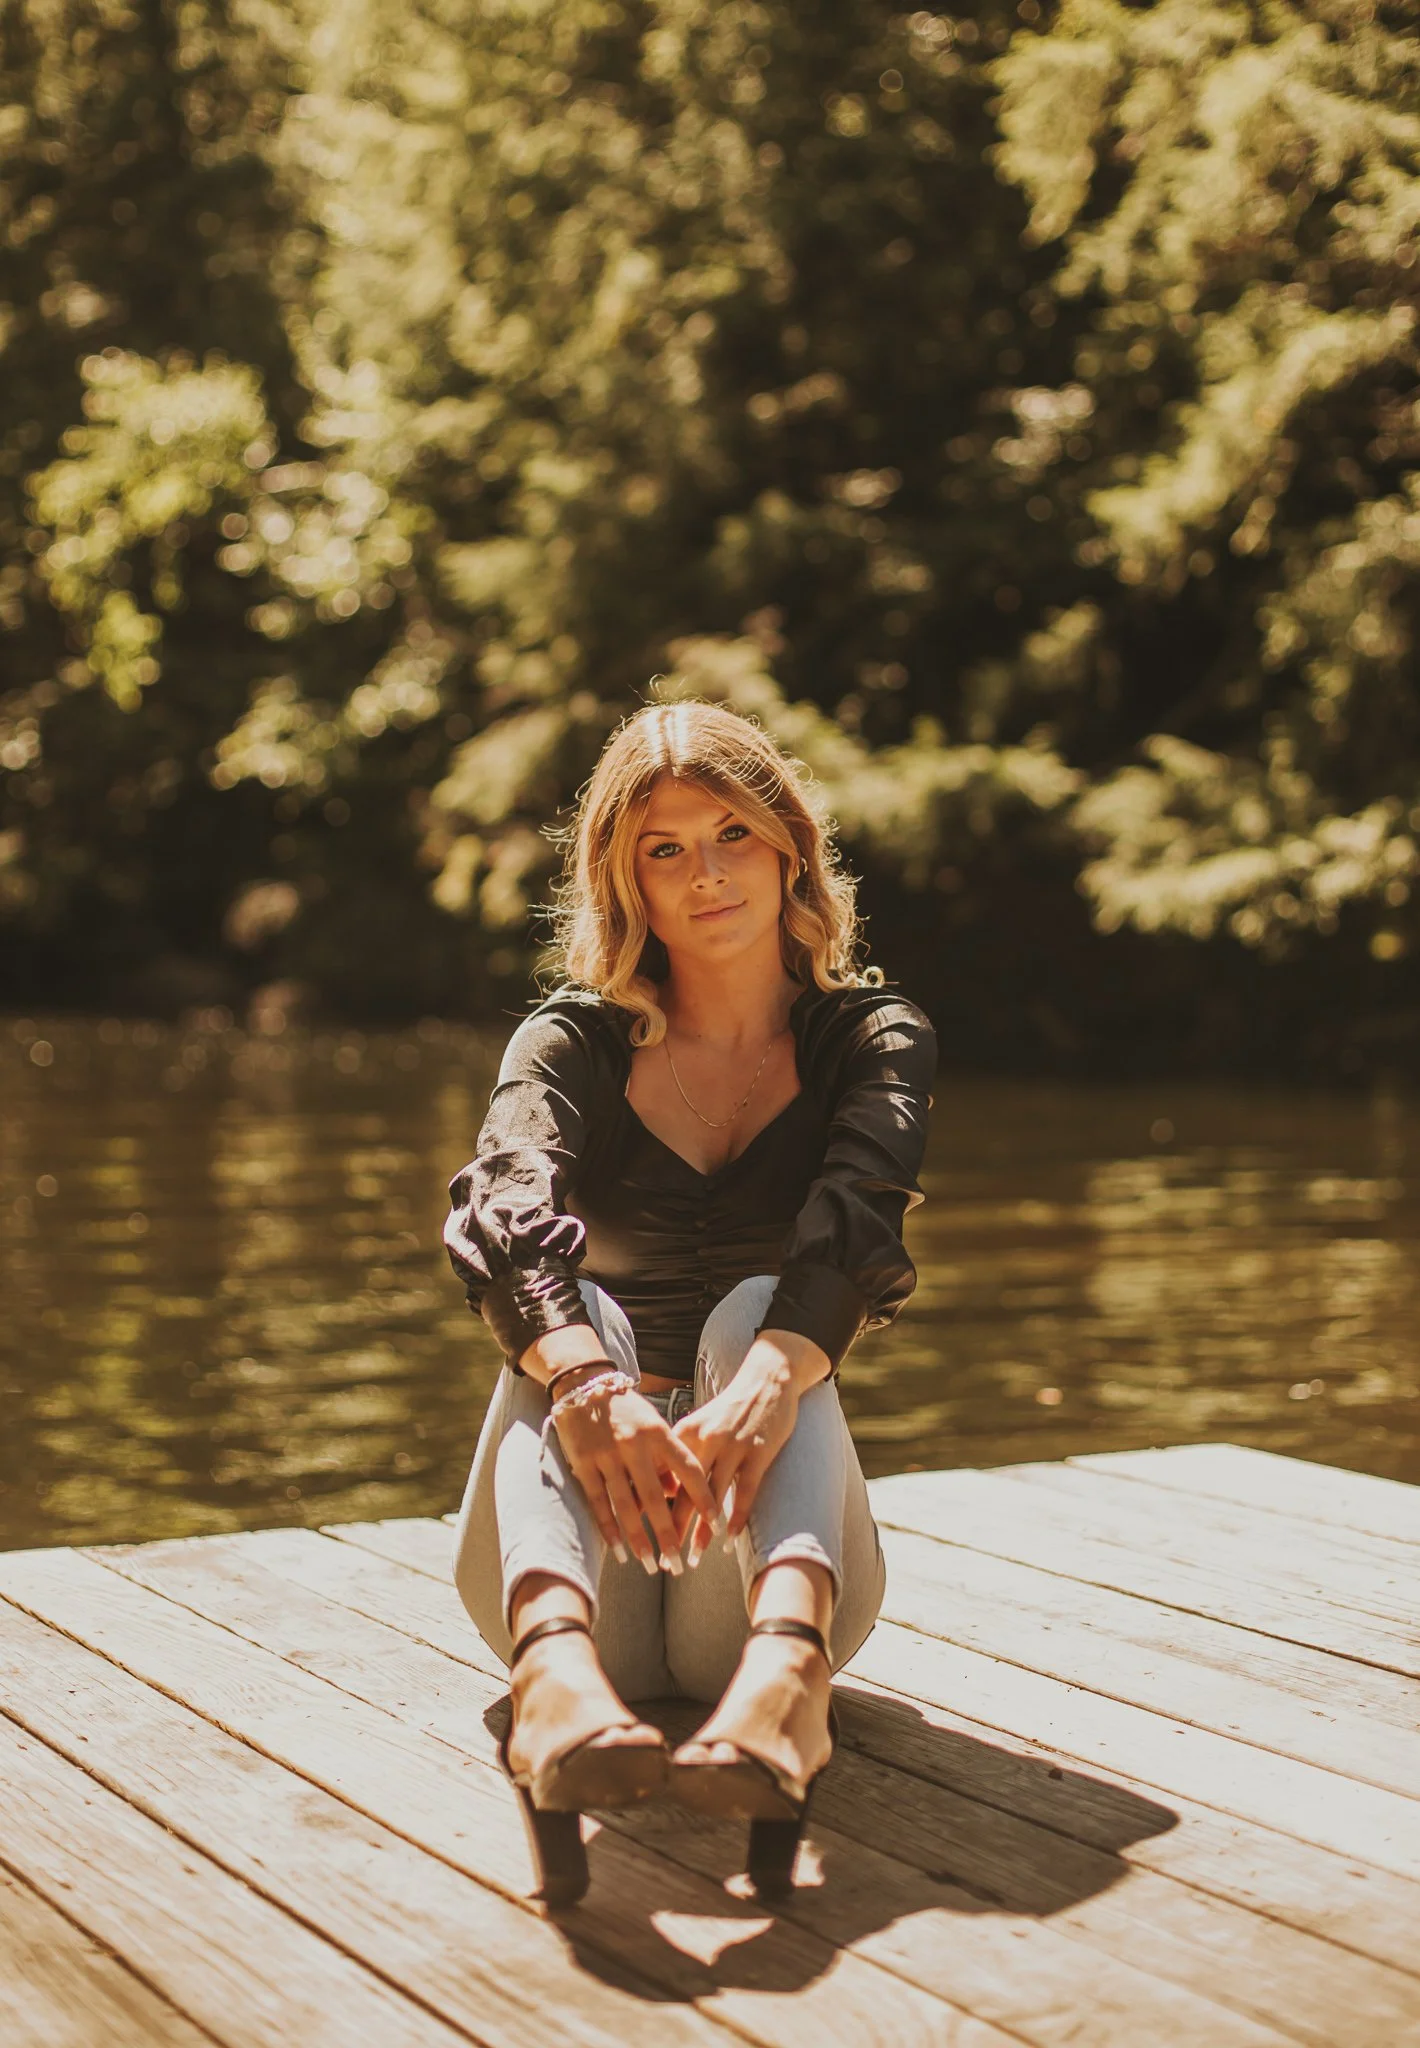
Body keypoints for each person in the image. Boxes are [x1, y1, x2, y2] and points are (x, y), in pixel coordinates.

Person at [443, 698, 936, 1904]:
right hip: (575, 1564)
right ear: (629, 882)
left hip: (765, 1564)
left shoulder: (870, 1037)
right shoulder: (569, 1044)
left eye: (731, 832)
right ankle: (554, 1685)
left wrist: (764, 1382)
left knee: (762, 1312)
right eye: (665, 848)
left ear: (788, 849)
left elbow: (857, 1230)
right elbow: (503, 1211)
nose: (705, 872)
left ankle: (784, 1686)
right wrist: (591, 1387)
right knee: (568, 1325)